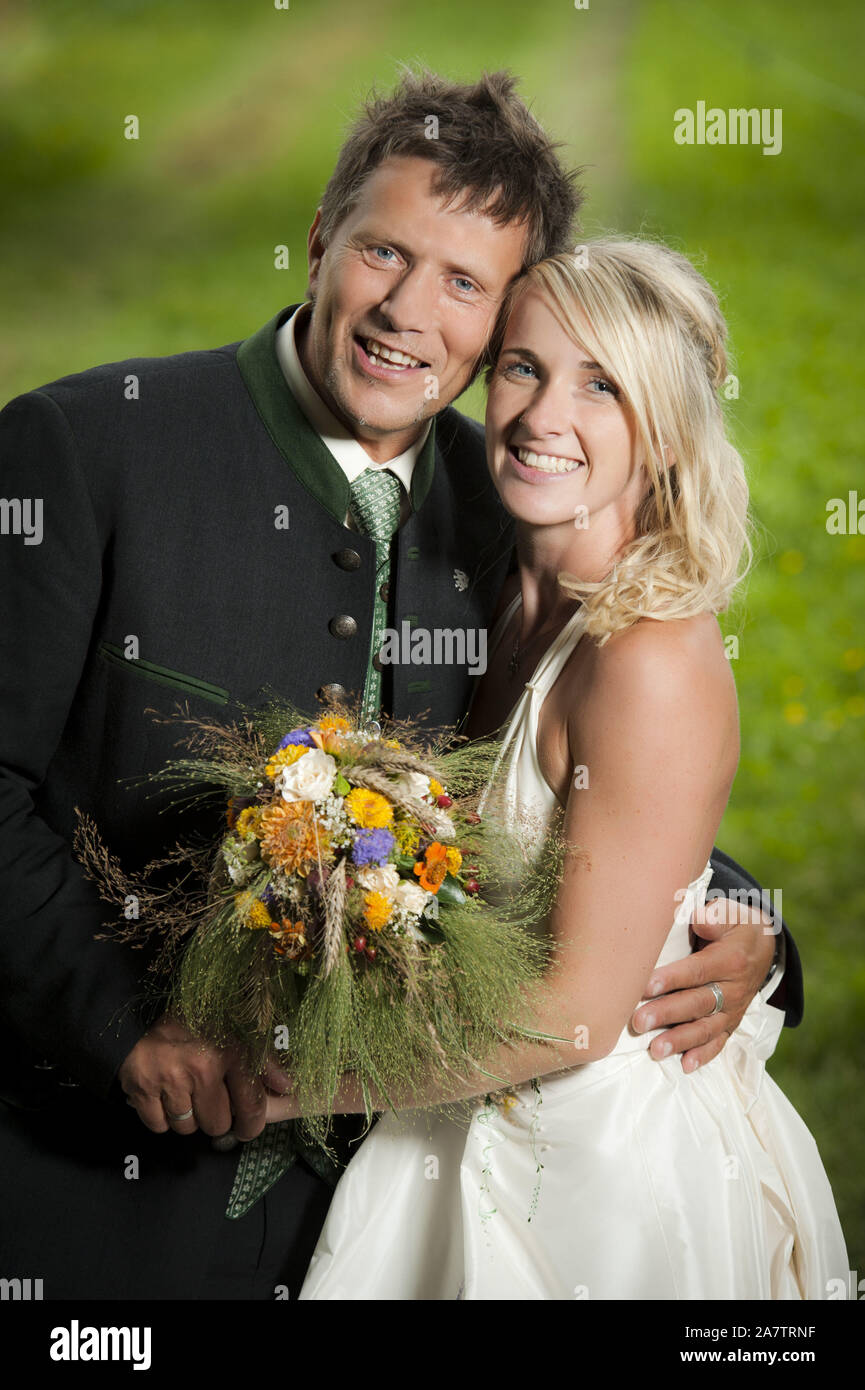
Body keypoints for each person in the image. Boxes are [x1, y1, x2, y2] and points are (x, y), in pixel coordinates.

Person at [0, 71, 793, 1301]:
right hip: (102, 1194)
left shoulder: (521, 503)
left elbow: (601, 787)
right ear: (319, 241)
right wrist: (118, 1026)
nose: (407, 313)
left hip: (391, 1190)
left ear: (496, 324)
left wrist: (744, 925)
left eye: (466, 284)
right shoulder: (92, 448)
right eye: (383, 251)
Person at [289, 238, 848, 1300]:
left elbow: (579, 1012)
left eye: (604, 386)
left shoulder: (646, 658)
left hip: (597, 1179)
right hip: (458, 1117)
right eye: (523, 367)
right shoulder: (500, 585)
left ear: (670, 431)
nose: (545, 416)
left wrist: (284, 1081)